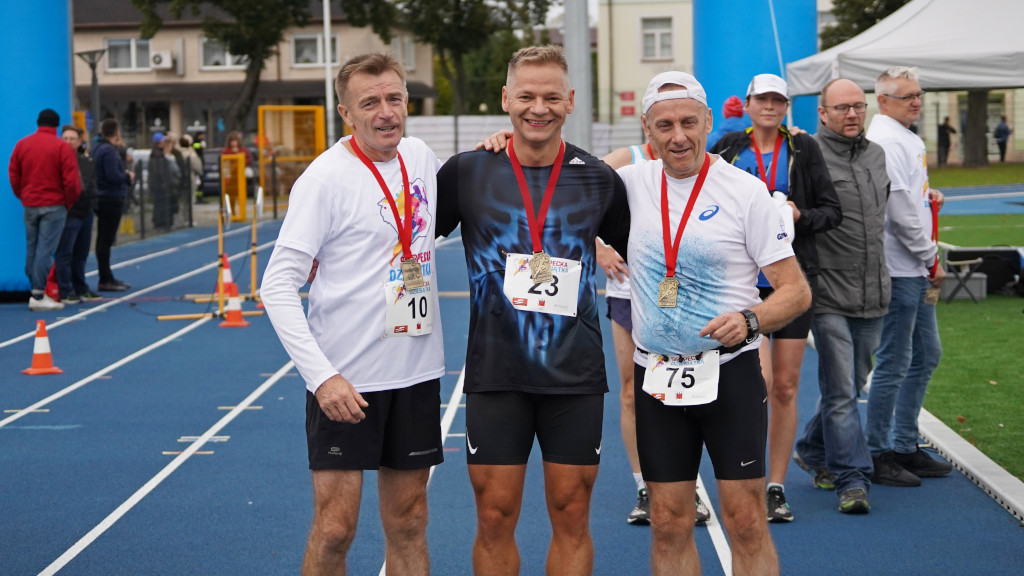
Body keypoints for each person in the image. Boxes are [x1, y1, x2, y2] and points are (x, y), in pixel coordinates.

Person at [436, 45, 630, 576]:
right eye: (525, 96)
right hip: (496, 374)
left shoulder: (598, 179)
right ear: (505, 99)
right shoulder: (467, 171)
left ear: (570, 101)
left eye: (551, 97)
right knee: (494, 516)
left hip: (575, 375)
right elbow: (407, 235)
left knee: (572, 513)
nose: (538, 108)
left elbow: (642, 251)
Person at [617, 70, 810, 575]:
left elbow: (796, 291)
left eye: (688, 122)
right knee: (667, 521)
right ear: (647, 129)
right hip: (657, 376)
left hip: (730, 374)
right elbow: (557, 170)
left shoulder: (746, 191)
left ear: (707, 121)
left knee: (745, 519)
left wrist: (750, 319)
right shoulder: (629, 184)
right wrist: (506, 138)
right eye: (664, 125)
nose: (678, 136)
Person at [260, 53, 444, 576]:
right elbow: (276, 286)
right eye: (370, 103)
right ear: (345, 113)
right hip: (346, 383)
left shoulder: (421, 156)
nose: (386, 112)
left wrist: (498, 144)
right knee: (336, 529)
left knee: (409, 522)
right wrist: (322, 378)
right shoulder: (323, 179)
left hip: (415, 373)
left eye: (394, 98)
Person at [710, 73, 842, 522]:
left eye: (778, 100)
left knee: (785, 386)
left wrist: (798, 215)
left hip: (790, 283)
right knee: (759, 384)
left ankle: (775, 487)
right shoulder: (729, 146)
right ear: (748, 104)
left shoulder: (803, 148)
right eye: (762, 99)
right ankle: (748, 476)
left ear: (786, 106)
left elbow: (832, 211)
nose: (769, 106)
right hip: (743, 283)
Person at [794, 78, 891, 515]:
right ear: (822, 113)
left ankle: (813, 449)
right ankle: (852, 479)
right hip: (828, 290)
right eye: (841, 108)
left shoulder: (877, 154)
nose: (852, 114)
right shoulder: (806, 155)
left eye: (858, 106)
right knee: (841, 390)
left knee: (850, 385)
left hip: (875, 289)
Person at [865, 66, 952, 487]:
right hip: (901, 269)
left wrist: (927, 197)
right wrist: (932, 259)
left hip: (914, 265)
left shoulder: (906, 136)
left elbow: (908, 198)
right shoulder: (886, 140)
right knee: (895, 361)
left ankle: (902, 443)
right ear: (883, 101)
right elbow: (898, 213)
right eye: (907, 96)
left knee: (925, 354)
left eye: (919, 94)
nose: (916, 101)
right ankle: (878, 451)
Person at [8, 108, 81, 311]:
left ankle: (35, 288)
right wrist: (68, 202)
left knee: (32, 247)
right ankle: (39, 293)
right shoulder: (62, 147)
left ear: (38, 123)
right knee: (46, 249)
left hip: (30, 202)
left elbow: (13, 173)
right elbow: (71, 181)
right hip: (54, 204)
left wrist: (22, 194)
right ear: (56, 125)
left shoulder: (23, 144)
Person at [55, 125, 102, 304]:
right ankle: (66, 290)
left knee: (81, 253)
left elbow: (91, 184)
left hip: (86, 211)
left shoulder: (87, 160)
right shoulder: (57, 160)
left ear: (79, 141)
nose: (68, 142)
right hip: (69, 212)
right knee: (65, 252)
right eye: (65, 138)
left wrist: (94, 205)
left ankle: (81, 287)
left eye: (72, 139)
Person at [92, 118, 134, 292]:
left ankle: (107, 275)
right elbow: (113, 176)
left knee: (104, 239)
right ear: (117, 133)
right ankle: (105, 277)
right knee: (105, 239)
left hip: (101, 196)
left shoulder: (96, 148)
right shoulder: (108, 151)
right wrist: (127, 176)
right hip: (110, 197)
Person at [148, 132, 180, 229]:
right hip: (160, 184)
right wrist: (164, 182)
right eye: (163, 141)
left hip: (160, 183)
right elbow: (158, 171)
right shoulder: (157, 155)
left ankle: (161, 221)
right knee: (160, 203)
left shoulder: (159, 154)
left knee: (162, 203)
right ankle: (160, 222)